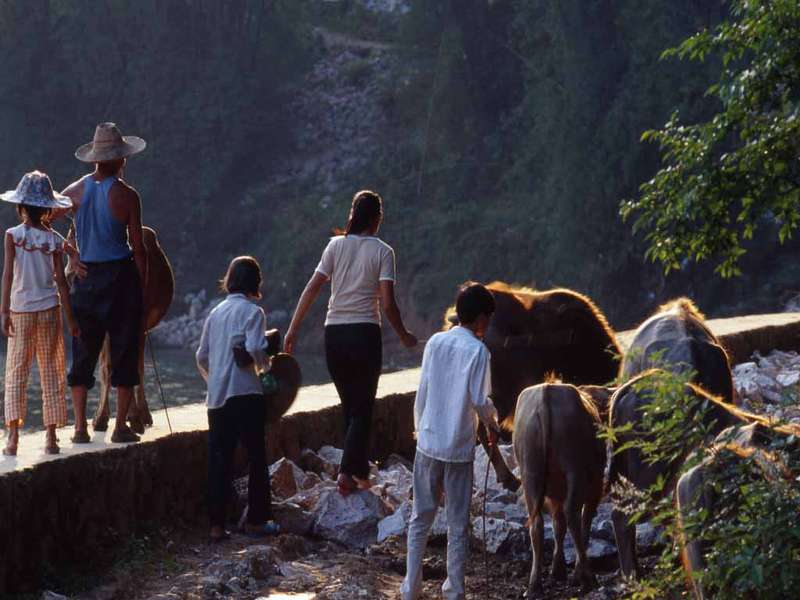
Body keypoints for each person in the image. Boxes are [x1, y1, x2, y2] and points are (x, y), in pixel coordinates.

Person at [284, 190, 417, 494]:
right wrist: (403, 335)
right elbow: (387, 303)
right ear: (377, 218)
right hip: (364, 334)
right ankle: (346, 474)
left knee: (350, 407)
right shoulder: (383, 251)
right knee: (362, 409)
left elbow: (312, 289)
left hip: (334, 335)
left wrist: (293, 330)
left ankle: (359, 472)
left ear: (353, 215)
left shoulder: (335, 246)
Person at [400, 282, 501, 600]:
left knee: (420, 518)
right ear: (482, 318)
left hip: (429, 442)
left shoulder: (435, 343)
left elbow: (424, 390)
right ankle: (454, 591)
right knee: (458, 524)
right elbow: (480, 400)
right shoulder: (479, 351)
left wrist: (420, 429)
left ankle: (410, 588)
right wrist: (493, 423)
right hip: (458, 448)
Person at [60, 122, 147, 444]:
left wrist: (70, 254)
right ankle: (120, 427)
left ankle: (81, 428)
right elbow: (138, 249)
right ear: (121, 159)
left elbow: (37, 220)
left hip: (86, 280)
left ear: (95, 158)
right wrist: (142, 286)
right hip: (120, 278)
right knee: (124, 352)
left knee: (83, 351)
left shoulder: (73, 192)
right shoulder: (127, 196)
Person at [196, 256, 279, 542]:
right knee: (256, 457)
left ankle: (216, 526)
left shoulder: (215, 313)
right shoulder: (253, 312)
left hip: (217, 398)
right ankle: (257, 521)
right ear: (254, 283)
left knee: (219, 460)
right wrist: (264, 365)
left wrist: (216, 378)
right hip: (246, 394)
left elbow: (201, 356)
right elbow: (256, 347)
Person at [0, 171, 80, 455]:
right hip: (49, 310)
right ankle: (50, 438)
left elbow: (8, 275)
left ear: (21, 207)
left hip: (20, 311)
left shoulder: (12, 236)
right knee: (51, 371)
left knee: (16, 373)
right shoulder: (54, 239)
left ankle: (12, 439)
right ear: (47, 208)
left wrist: (3, 312)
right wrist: (71, 319)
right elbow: (61, 281)